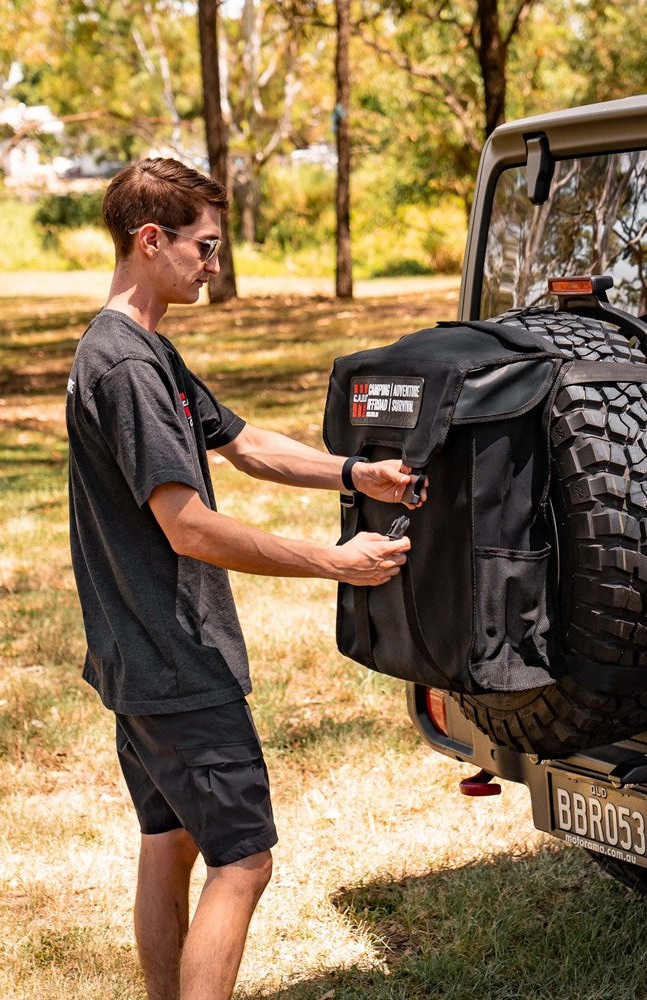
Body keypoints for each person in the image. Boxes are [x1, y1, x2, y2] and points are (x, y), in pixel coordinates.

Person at [65, 157, 421, 1000]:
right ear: (151, 240)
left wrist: (354, 474)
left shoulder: (140, 348)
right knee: (244, 860)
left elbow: (245, 443)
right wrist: (334, 561)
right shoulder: (127, 368)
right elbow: (187, 526)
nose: (214, 265)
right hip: (176, 659)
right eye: (205, 246)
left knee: (172, 839)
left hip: (136, 656)